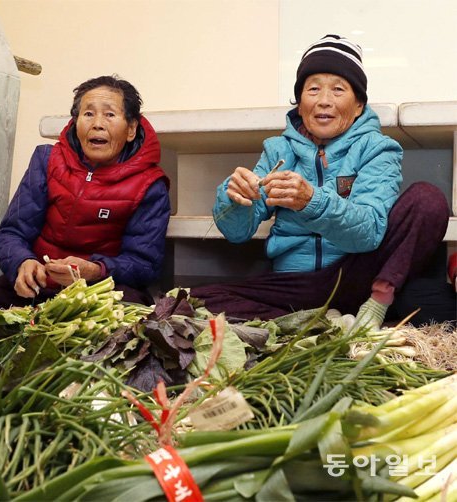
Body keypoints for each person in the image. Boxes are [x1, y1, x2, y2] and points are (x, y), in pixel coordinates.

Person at [191, 34, 451, 328]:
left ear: (358, 106)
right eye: (313, 89)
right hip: (294, 283)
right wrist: (234, 199)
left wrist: (311, 202)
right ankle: (317, 321)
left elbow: (368, 232)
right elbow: (238, 232)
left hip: (356, 274)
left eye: (338, 90)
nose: (324, 101)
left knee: (427, 199)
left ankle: (376, 306)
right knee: (195, 302)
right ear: (300, 103)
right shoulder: (279, 150)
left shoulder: (377, 149)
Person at [0, 75, 170, 313]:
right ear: (76, 122)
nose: (97, 124)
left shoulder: (150, 185)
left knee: (128, 325)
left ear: (131, 129)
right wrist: (22, 262)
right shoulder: (47, 160)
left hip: (100, 294)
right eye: (88, 114)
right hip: (36, 288)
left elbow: (144, 264)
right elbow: (12, 233)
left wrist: (95, 270)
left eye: (109, 114)